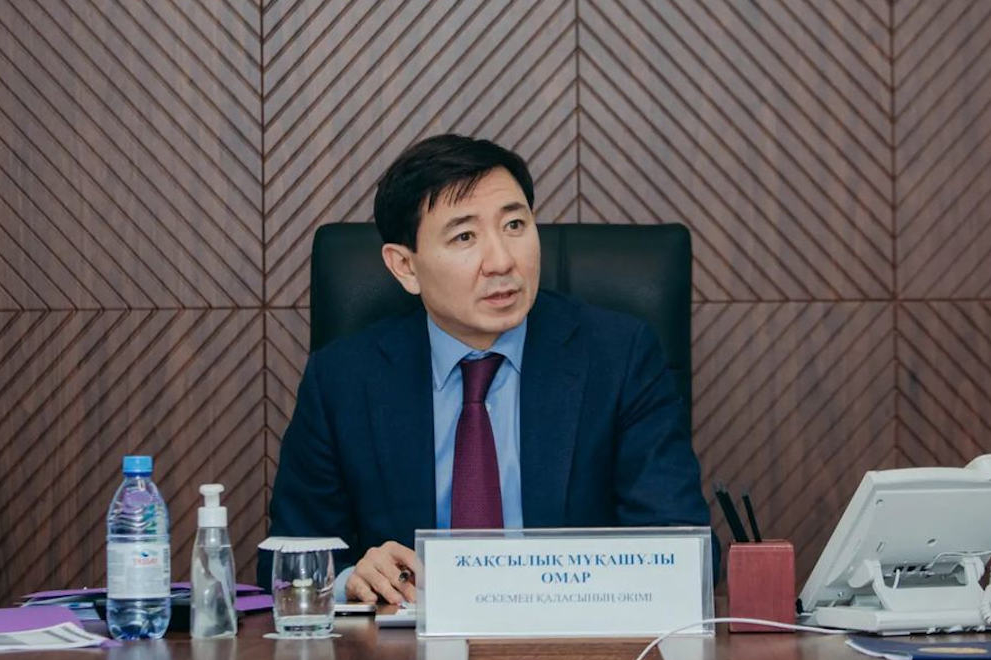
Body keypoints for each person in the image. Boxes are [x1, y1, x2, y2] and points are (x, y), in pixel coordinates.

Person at [263, 134, 710, 603]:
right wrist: (353, 579)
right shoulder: (342, 380)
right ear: (405, 267)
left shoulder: (619, 358)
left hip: (571, 638)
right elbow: (287, 561)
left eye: (515, 225)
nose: (501, 261)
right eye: (464, 237)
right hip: (405, 643)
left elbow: (684, 548)